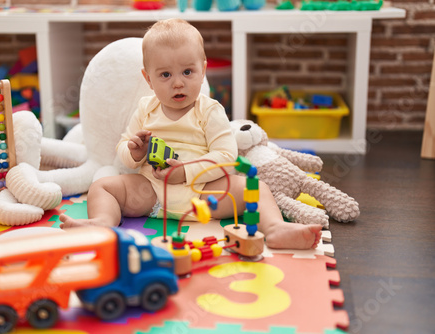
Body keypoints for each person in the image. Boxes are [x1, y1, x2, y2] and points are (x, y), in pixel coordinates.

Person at [60, 18, 322, 249]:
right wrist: (133, 151)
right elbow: (123, 146)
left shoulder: (210, 111)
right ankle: (103, 223)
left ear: (203, 70)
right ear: (148, 79)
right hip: (151, 193)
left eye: (187, 72)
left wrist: (185, 171)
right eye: (165, 74)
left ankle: (275, 228)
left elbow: (225, 155)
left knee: (256, 188)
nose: (178, 82)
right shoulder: (145, 108)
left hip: (204, 193)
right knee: (103, 186)